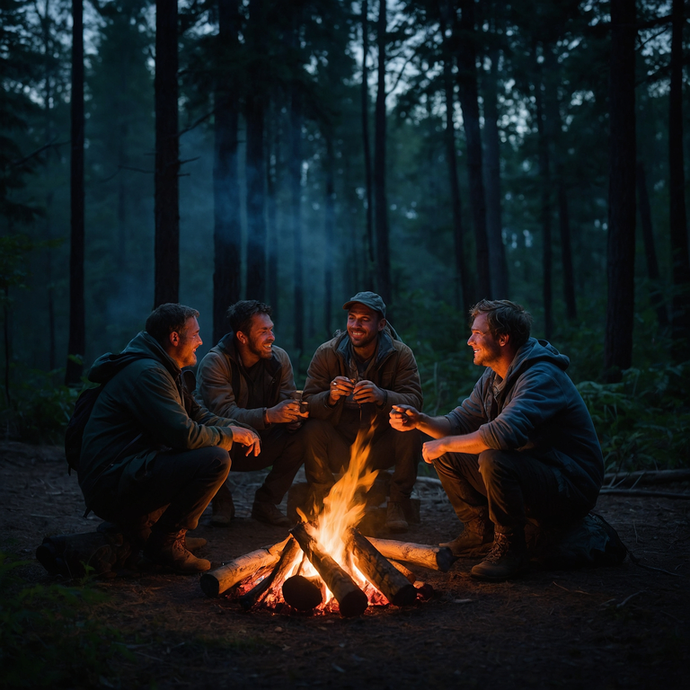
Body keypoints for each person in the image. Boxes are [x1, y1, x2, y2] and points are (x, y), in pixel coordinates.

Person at [390, 299, 604, 581]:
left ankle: (511, 548)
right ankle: (480, 534)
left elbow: (503, 434)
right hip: (535, 472)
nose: (470, 341)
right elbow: (458, 423)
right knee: (450, 451)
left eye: (478, 334)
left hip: (570, 485)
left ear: (503, 338)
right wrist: (420, 421)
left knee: (492, 457)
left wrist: (444, 443)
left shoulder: (541, 375)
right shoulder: (493, 377)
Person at [78, 303, 260, 574]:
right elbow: (185, 435)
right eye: (195, 334)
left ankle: (149, 530)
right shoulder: (148, 373)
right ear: (175, 338)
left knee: (211, 446)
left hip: (128, 470)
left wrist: (237, 428)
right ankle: (165, 542)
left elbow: (198, 415)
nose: (200, 341)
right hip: (111, 482)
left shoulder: (164, 368)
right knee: (214, 459)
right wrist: (230, 435)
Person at [302, 291, 423, 532]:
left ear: (381, 324)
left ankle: (398, 502)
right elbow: (307, 402)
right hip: (341, 446)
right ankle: (323, 498)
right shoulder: (328, 353)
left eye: (364, 319)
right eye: (352, 318)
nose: (355, 326)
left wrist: (383, 396)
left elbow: (415, 400)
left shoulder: (400, 354)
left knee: (410, 427)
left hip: (380, 445)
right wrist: (331, 396)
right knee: (312, 428)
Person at [195, 300, 308, 527]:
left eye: (271, 329)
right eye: (263, 331)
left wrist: (291, 419)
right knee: (205, 436)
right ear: (242, 337)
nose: (271, 337)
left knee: (305, 434)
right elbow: (222, 412)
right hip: (227, 444)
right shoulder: (215, 363)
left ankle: (266, 503)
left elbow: (287, 398)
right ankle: (222, 500)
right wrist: (269, 415)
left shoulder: (279, 358)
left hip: (264, 441)